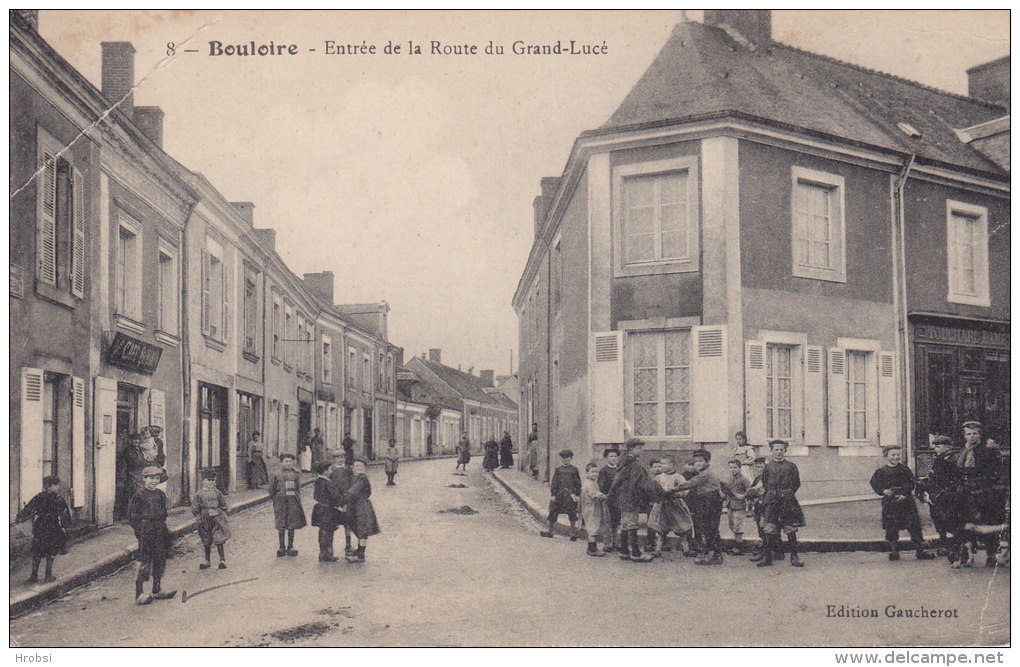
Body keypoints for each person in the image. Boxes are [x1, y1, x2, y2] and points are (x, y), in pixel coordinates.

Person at [870, 446, 935, 562]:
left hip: (906, 502)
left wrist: (905, 494)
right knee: (892, 527)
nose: (896, 457)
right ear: (886, 456)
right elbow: (874, 483)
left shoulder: (904, 469)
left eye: (897, 455)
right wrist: (884, 491)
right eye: (893, 455)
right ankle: (894, 551)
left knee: (914, 526)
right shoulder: (881, 471)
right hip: (890, 503)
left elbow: (911, 483)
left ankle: (920, 550)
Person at [955, 421, 1005, 567]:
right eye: (968, 434)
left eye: (975, 433)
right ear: (964, 436)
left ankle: (991, 555)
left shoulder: (987, 450)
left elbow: (995, 470)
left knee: (988, 520)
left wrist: (987, 486)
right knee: (966, 522)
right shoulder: (961, 451)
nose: (971, 437)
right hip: (966, 490)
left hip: (983, 490)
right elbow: (957, 468)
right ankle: (966, 554)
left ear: (980, 435)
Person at [128, 466, 176, 604]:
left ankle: (157, 589)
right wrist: (141, 530)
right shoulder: (139, 496)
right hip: (146, 531)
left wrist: (161, 526)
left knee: (160, 559)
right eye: (151, 478)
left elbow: (164, 513)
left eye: (157, 478)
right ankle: (139, 593)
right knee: (145, 560)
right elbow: (132, 517)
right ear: (144, 479)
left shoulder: (160, 495)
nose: (154, 481)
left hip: (160, 529)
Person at [608, 438, 658, 562]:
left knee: (625, 524)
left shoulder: (623, 461)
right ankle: (635, 553)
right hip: (631, 498)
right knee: (632, 524)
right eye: (639, 448)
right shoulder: (633, 464)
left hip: (623, 498)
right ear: (631, 449)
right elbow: (640, 483)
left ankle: (624, 551)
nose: (641, 450)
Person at [757, 440, 805, 568]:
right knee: (769, 529)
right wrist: (772, 495)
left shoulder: (791, 466)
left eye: (781, 449)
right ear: (771, 451)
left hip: (787, 502)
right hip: (772, 501)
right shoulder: (768, 467)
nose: (779, 452)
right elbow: (765, 482)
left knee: (790, 529)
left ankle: (794, 556)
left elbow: (796, 483)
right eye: (776, 449)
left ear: (785, 451)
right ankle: (767, 556)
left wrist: (786, 494)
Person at [16, 475, 71, 584]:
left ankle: (40, 575)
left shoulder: (42, 497)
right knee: (43, 550)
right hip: (49, 526)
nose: (58, 487)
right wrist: (65, 526)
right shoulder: (55, 498)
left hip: (44, 526)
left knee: (45, 550)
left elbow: (29, 509)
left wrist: (21, 517)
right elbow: (64, 514)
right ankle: (42, 575)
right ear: (49, 486)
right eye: (56, 485)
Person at [919, 435, 965, 565]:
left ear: (947, 447)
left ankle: (954, 546)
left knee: (949, 519)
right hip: (937, 494)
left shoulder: (952, 459)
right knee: (938, 518)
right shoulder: (939, 459)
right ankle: (945, 543)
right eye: (935, 447)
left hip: (947, 495)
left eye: (938, 447)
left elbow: (955, 478)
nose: (936, 449)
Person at [676, 449, 724, 565]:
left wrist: (673, 489)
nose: (698, 464)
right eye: (696, 461)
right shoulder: (703, 473)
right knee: (707, 526)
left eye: (701, 461)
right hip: (706, 500)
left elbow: (689, 483)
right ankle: (713, 553)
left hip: (711, 500)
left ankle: (713, 554)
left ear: (707, 462)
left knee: (710, 527)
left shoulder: (705, 474)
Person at [648, 456, 693, 558]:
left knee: (681, 528)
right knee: (660, 528)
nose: (662, 466)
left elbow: (685, 490)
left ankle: (686, 549)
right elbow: (653, 489)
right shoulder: (659, 477)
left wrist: (676, 493)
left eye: (665, 464)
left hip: (675, 505)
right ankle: (658, 549)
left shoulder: (678, 477)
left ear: (672, 465)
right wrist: (659, 493)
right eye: (661, 464)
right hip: (662, 505)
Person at [341, 459, 380, 562]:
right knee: (359, 528)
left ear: (364, 469)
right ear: (353, 468)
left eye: (361, 467)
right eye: (357, 466)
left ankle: (361, 555)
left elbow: (352, 492)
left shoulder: (361, 478)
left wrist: (342, 500)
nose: (359, 468)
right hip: (357, 505)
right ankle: (359, 550)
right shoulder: (356, 478)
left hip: (361, 506)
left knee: (362, 529)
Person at [269, 452, 307, 557]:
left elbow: (298, 488)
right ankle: (282, 547)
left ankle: (290, 546)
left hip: (292, 501)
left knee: (292, 523)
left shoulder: (295, 473)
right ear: (281, 462)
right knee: (281, 522)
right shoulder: (276, 474)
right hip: (280, 501)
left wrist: (297, 499)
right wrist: (275, 499)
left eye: (290, 461)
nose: (288, 463)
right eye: (286, 461)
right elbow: (271, 489)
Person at [192, 470, 231, 570]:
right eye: (208, 480)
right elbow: (195, 508)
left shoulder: (217, 493)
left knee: (219, 538)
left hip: (217, 517)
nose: (211, 483)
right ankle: (207, 561)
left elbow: (223, 504)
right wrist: (199, 516)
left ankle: (222, 560)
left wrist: (223, 512)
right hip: (204, 518)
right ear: (203, 481)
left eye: (213, 480)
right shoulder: (199, 494)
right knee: (206, 539)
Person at [541, 449, 582, 540]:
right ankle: (551, 530)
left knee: (572, 513)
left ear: (571, 458)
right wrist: (553, 494)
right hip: (559, 494)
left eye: (567, 458)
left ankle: (572, 532)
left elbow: (578, 483)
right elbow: (554, 482)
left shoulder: (574, 470)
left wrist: (577, 495)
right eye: (563, 458)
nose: (565, 460)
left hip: (570, 495)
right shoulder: (558, 470)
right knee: (553, 511)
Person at [311, 460, 344, 562]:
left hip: (319, 508)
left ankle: (322, 553)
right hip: (328, 511)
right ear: (325, 471)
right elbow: (336, 496)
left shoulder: (318, 481)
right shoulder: (327, 483)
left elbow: (315, 496)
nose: (331, 471)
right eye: (330, 469)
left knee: (322, 531)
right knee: (329, 532)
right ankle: (328, 554)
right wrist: (340, 503)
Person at [580, 462, 609, 557]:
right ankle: (592, 549)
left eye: (596, 472)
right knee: (593, 527)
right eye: (592, 472)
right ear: (587, 473)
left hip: (593, 508)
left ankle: (591, 548)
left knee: (594, 526)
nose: (595, 474)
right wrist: (604, 496)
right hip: (591, 509)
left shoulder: (593, 482)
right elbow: (595, 495)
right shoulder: (588, 484)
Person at [330, 450, 356, 557]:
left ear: (345, 458)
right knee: (331, 524)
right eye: (337, 458)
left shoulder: (348, 471)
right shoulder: (331, 471)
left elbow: (352, 485)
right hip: (334, 500)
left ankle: (348, 545)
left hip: (346, 500)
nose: (340, 460)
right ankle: (329, 548)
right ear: (334, 459)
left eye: (342, 457)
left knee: (347, 524)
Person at [722, 458, 749, 555]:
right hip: (730, 505)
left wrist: (743, 496)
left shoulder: (744, 479)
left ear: (740, 468)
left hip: (739, 505)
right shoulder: (728, 479)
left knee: (738, 526)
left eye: (735, 467)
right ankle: (736, 545)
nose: (732, 469)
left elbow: (749, 491)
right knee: (732, 525)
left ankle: (739, 547)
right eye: (730, 467)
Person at [597, 447, 622, 552]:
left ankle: (616, 542)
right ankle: (607, 543)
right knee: (607, 521)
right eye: (611, 456)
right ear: (606, 458)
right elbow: (601, 485)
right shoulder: (604, 470)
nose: (613, 458)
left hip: (618, 498)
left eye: (615, 456)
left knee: (617, 520)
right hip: (607, 498)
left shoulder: (620, 469)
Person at [745, 457, 769, 562]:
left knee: (767, 528)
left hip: (767, 506)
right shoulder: (758, 478)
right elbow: (752, 491)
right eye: (758, 466)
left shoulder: (769, 477)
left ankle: (768, 552)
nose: (760, 468)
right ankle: (766, 551)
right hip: (759, 506)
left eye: (762, 466)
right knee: (760, 527)